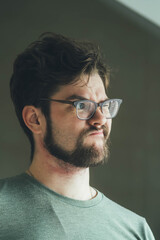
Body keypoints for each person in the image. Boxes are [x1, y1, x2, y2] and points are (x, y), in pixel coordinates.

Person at [0, 32, 155, 240]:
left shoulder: (135, 230)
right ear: (35, 119)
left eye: (104, 105)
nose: (100, 118)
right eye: (82, 106)